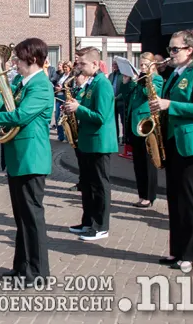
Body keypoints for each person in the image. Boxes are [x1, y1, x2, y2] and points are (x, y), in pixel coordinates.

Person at [0, 38, 54, 286]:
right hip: (18, 157)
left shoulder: (41, 85)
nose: (15, 64)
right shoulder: (23, 83)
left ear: (31, 59)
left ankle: (38, 273)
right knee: (21, 218)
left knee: (32, 218)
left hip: (31, 158)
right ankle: (22, 267)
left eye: (18, 60)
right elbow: (9, 105)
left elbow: (21, 115)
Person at [149, 29, 193, 273]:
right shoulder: (175, 73)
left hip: (191, 145)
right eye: (170, 49)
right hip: (173, 141)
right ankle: (178, 250)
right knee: (175, 200)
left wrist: (169, 105)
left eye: (175, 49)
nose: (171, 53)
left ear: (189, 50)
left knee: (190, 201)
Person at [63, 47, 117, 241]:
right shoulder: (91, 83)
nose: (79, 66)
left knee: (100, 185)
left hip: (99, 142)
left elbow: (101, 117)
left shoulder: (102, 84)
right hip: (87, 141)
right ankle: (88, 222)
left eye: (82, 63)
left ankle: (101, 226)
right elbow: (85, 107)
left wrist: (78, 109)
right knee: (87, 184)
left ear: (95, 64)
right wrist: (72, 107)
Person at [121, 52, 164, 208]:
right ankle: (141, 194)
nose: (143, 67)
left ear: (152, 66)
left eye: (146, 65)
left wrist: (144, 78)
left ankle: (150, 196)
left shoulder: (156, 79)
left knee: (148, 161)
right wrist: (127, 83)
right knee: (138, 162)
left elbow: (149, 94)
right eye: (141, 64)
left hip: (147, 124)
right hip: (135, 123)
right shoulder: (138, 79)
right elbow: (126, 97)